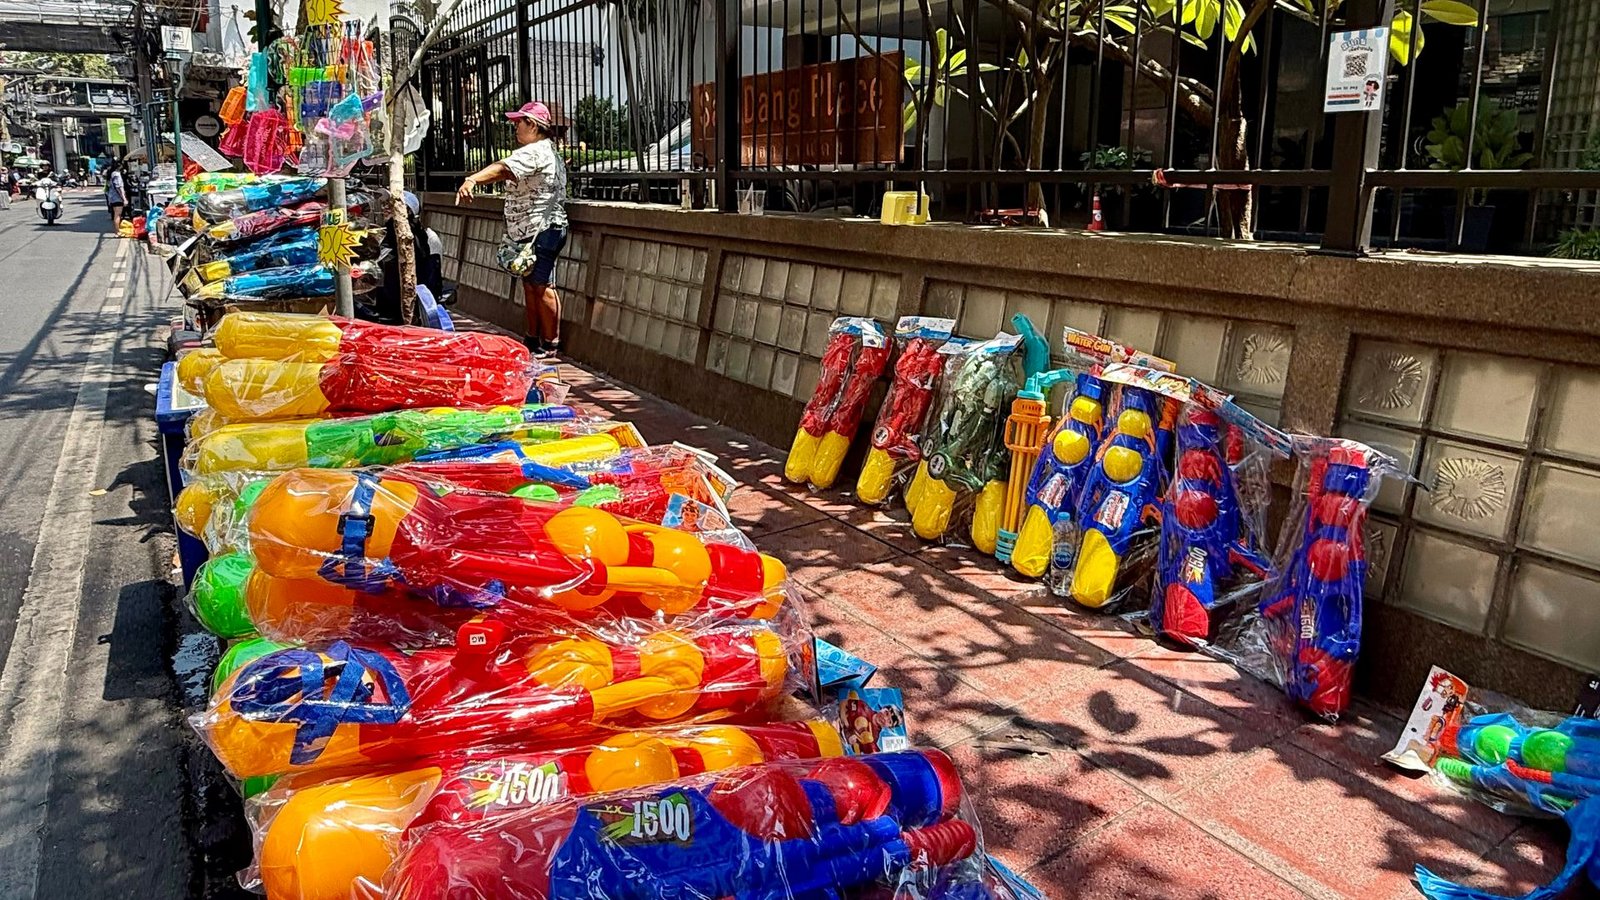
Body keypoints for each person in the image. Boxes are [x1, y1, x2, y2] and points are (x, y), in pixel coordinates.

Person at [455, 101, 568, 355]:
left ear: (533, 125)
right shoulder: (545, 150)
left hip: (543, 229)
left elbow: (504, 170)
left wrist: (472, 179)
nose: (515, 127)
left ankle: (551, 343)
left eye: (519, 122)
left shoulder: (536, 151)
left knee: (542, 286)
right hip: (533, 230)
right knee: (530, 285)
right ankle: (533, 337)